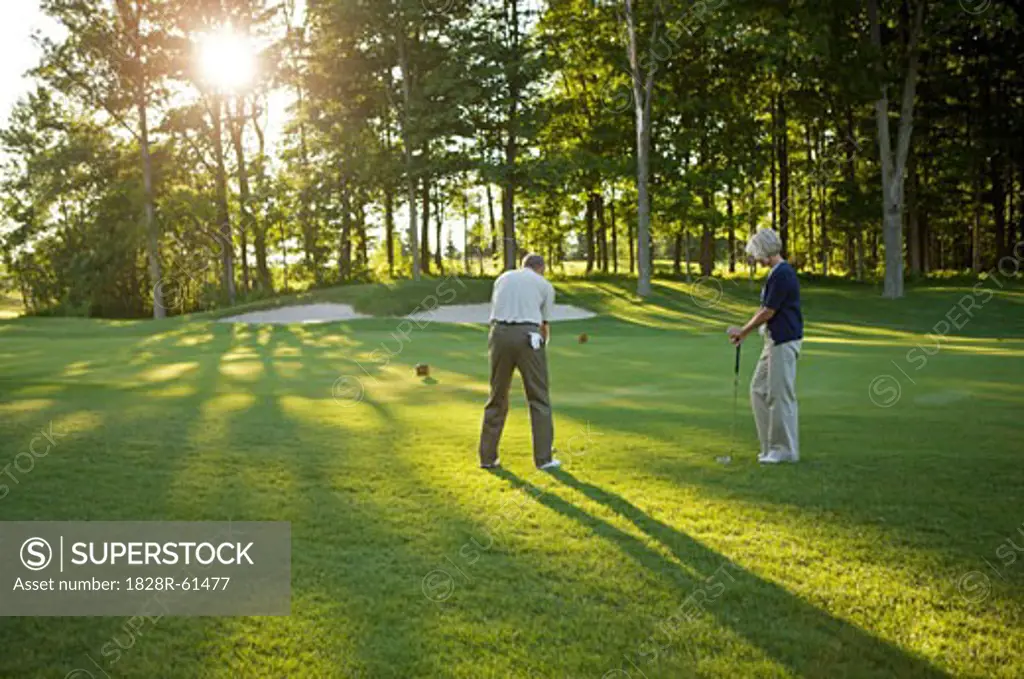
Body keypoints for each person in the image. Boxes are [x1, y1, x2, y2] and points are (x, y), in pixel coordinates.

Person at [727, 228, 804, 464]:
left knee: (780, 395)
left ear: (764, 251)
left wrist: (743, 331)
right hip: (772, 341)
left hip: (783, 341)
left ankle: (784, 450)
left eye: (756, 254)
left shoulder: (782, 274)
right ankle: (770, 447)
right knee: (758, 390)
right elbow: (766, 310)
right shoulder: (775, 273)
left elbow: (768, 311)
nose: (756, 259)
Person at [478, 253, 561, 471]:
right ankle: (543, 459)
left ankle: (488, 458)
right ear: (541, 268)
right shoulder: (544, 285)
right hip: (528, 335)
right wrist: (543, 345)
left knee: (497, 395)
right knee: (538, 397)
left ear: (523, 265)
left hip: (498, 334)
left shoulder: (503, 278)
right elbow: (544, 325)